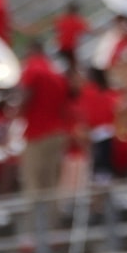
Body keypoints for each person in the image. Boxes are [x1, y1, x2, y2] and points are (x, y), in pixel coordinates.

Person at [18, 36, 74, 238]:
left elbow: (25, 97)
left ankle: (33, 233)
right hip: (57, 132)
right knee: (51, 186)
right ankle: (53, 230)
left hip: (37, 134)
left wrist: (16, 109)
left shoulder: (33, 69)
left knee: (33, 186)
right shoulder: (56, 73)